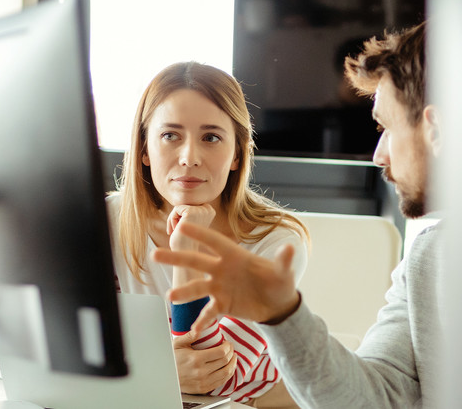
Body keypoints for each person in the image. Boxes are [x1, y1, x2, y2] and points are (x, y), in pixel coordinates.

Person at [152, 22, 444, 408]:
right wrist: (282, 315)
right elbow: (372, 400)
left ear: (435, 129)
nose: (379, 156)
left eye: (386, 128)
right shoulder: (425, 261)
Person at [106, 61, 309, 407]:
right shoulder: (106, 221)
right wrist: (159, 369)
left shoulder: (277, 241)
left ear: (236, 153)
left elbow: (211, 381)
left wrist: (188, 249)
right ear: (143, 150)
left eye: (211, 137)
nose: (189, 158)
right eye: (170, 136)